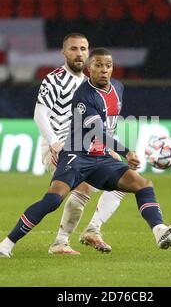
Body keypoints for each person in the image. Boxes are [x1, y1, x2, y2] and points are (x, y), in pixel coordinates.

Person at [0, 48, 171, 258]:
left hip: (100, 158)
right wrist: (124, 151)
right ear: (89, 68)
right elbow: (96, 130)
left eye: (108, 65)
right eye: (98, 65)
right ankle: (5, 245)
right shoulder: (83, 96)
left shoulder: (118, 88)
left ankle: (160, 232)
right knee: (53, 200)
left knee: (142, 185)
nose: (104, 70)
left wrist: (110, 151)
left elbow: (107, 126)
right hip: (76, 156)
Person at [34, 33, 124, 255]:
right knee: (84, 187)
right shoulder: (54, 79)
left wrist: (110, 148)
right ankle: (61, 242)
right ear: (63, 52)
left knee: (122, 176)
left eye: (83, 49)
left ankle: (92, 230)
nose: (79, 53)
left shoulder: (90, 83)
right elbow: (39, 113)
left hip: (87, 144)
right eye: (73, 49)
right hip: (60, 145)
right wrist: (54, 142)